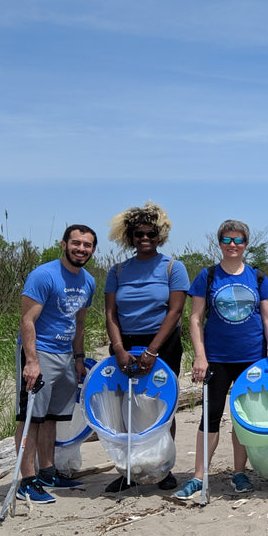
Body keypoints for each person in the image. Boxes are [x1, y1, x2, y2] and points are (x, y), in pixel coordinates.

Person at [176, 220, 268, 500]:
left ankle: (239, 472)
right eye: (227, 240)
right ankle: (199, 477)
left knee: (243, 418)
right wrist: (200, 356)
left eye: (238, 240)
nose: (232, 245)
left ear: (246, 244)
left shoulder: (258, 277)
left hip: (252, 359)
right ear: (220, 243)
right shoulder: (207, 276)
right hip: (217, 359)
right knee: (209, 418)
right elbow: (196, 318)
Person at [104, 202, 189, 492]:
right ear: (130, 236)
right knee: (125, 408)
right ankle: (128, 470)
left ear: (160, 235)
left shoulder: (172, 268)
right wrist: (117, 348)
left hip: (163, 343)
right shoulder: (116, 271)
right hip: (125, 344)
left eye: (151, 234)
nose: (145, 238)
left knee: (162, 405)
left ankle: (162, 469)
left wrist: (152, 351)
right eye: (139, 233)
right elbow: (111, 314)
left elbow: (175, 312)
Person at [13, 225, 98, 503]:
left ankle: (48, 471)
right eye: (76, 243)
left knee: (51, 417)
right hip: (40, 352)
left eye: (87, 245)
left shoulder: (88, 281)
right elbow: (27, 321)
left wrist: (78, 358)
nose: (81, 249)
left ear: (92, 250)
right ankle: (27, 479)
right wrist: (32, 361)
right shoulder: (44, 275)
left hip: (65, 355)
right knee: (31, 418)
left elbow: (80, 322)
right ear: (63, 244)